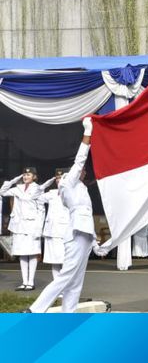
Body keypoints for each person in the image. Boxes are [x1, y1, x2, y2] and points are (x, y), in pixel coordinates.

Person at [27, 118, 96, 313]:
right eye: (78, 171)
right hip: (75, 233)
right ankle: (36, 309)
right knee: (67, 275)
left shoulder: (81, 187)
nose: (82, 171)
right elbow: (80, 159)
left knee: (76, 281)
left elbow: (87, 215)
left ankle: (69, 314)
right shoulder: (68, 184)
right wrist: (88, 133)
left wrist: (96, 242)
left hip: (85, 234)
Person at [0, 167, 54, 291]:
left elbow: (41, 209)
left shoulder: (38, 189)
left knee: (32, 253)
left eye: (28, 175)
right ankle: (25, 282)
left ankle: (31, 282)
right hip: (19, 225)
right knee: (22, 254)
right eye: (24, 175)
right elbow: (2, 191)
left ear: (34, 177)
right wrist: (14, 180)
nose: (25, 177)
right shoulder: (17, 188)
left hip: (32, 225)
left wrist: (39, 227)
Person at [39, 168, 71, 279]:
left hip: (64, 232)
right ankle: (56, 287)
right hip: (51, 231)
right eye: (57, 178)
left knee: (65, 261)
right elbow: (35, 197)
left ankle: (65, 287)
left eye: (61, 177)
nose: (58, 180)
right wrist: (45, 185)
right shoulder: (52, 193)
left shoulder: (71, 192)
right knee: (54, 261)